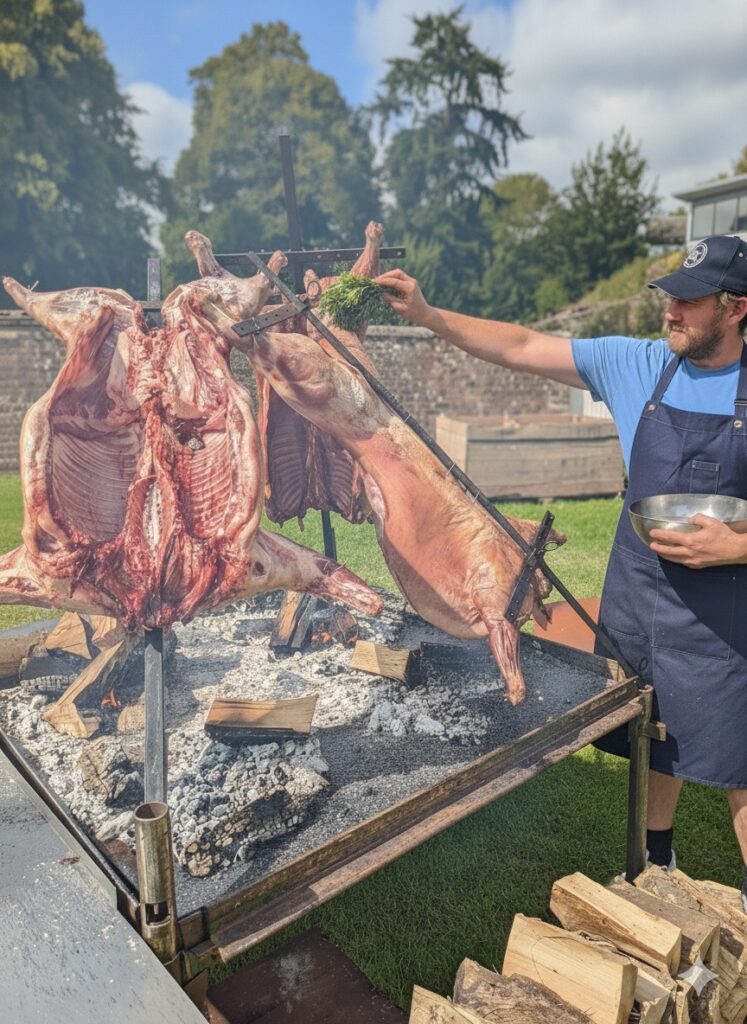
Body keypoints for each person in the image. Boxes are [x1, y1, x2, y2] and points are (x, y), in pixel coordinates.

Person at [375, 234, 747, 908]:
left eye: (687, 303)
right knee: (650, 730)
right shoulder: (637, 364)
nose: (669, 313)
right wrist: (429, 315)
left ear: (735, 307)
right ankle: (655, 861)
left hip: (726, 604)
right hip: (639, 591)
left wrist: (741, 548)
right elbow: (519, 346)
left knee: (737, 758)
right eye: (667, 298)